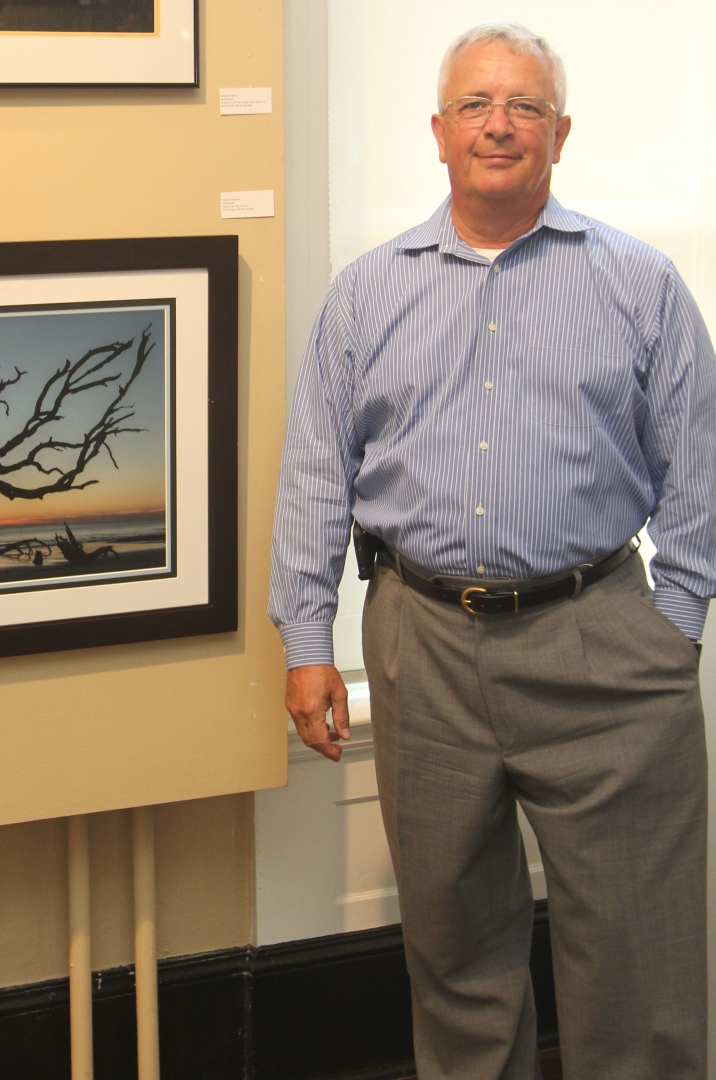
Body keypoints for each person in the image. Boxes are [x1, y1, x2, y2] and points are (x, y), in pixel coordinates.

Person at [269, 22, 715, 1080]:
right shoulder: (365, 293)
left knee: (638, 958)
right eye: (475, 105)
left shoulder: (640, 283)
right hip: (421, 648)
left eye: (524, 106)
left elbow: (697, 475)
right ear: (438, 132)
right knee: (454, 951)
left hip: (603, 644)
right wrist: (305, 641)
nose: (498, 125)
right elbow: (316, 475)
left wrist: (670, 631)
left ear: (561, 133)